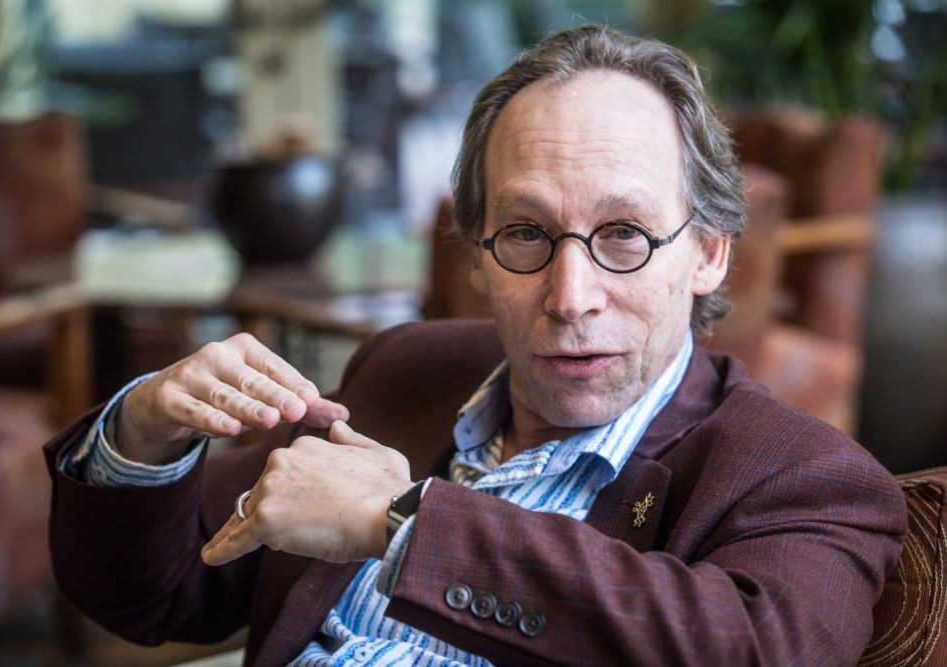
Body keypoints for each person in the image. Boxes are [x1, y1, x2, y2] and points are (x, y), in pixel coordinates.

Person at [44, 24, 906, 665]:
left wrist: (403, 526)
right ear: (476, 255)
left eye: (625, 235)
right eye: (527, 233)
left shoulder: (801, 473)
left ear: (709, 251)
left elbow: (758, 650)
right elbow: (155, 593)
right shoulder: (405, 369)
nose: (571, 297)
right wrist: (141, 433)